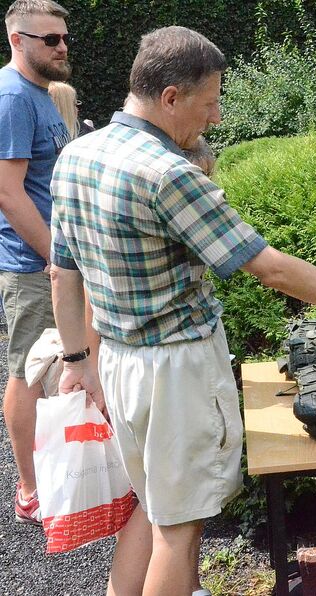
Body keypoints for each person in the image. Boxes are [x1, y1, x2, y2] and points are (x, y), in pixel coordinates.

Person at [49, 26, 316, 596]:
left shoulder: (76, 155)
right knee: (180, 531)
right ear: (171, 97)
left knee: (153, 510)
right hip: (175, 370)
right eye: (209, 104)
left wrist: (78, 357)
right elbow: (268, 267)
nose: (217, 118)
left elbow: (63, 270)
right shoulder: (168, 173)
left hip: (119, 363)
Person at [0, 0, 72, 527]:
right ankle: (29, 490)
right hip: (32, 266)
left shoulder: (40, 95)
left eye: (64, 38)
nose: (62, 47)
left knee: (61, 366)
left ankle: (60, 470)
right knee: (28, 371)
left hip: (50, 262)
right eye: (50, 39)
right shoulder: (11, 98)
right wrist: (54, 256)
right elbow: (6, 191)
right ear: (17, 40)